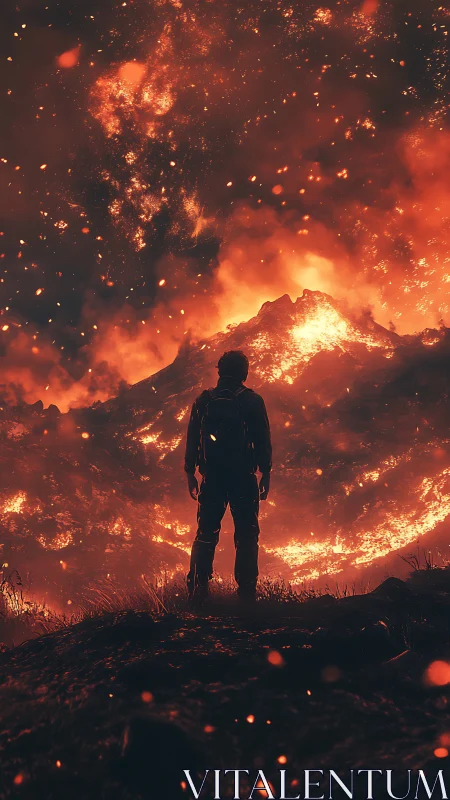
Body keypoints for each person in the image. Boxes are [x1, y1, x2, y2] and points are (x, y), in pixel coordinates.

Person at [184, 350, 272, 603]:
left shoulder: (204, 400)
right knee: (246, 535)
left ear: (220, 371)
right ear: (244, 372)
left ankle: (198, 590)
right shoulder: (252, 401)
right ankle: (246, 593)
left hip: (212, 477)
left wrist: (190, 472)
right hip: (243, 477)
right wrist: (266, 473)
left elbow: (192, 438)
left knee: (205, 534)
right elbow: (262, 440)